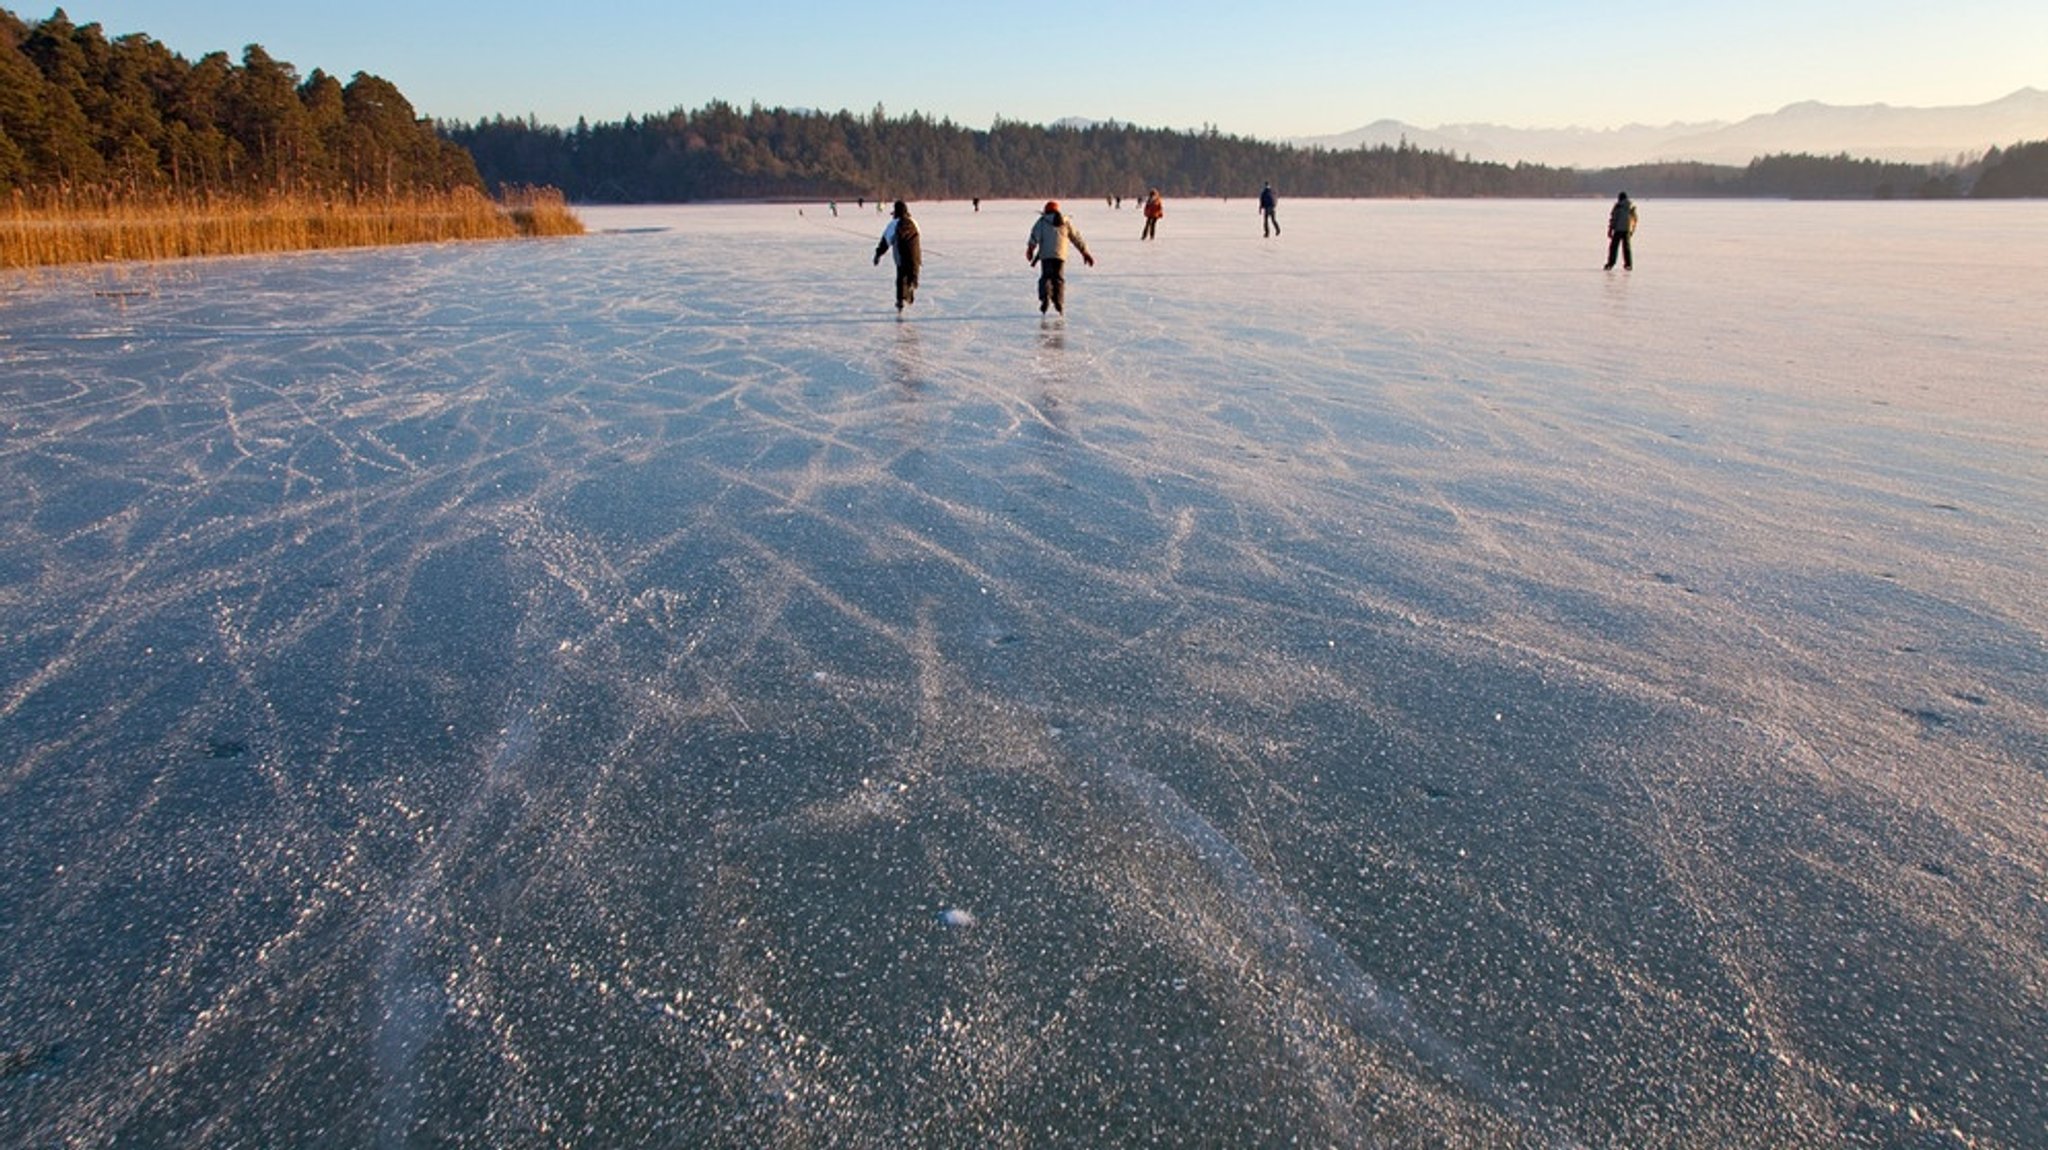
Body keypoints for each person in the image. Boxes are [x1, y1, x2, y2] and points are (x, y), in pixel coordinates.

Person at [1025, 201, 1094, 315]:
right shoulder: (1066, 222)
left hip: (1046, 256)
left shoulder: (1042, 221)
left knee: (1046, 277)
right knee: (1058, 279)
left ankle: (1045, 297)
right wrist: (1084, 252)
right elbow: (1076, 237)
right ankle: (1059, 301)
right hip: (1060, 256)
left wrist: (1030, 249)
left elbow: (1034, 235)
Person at [874, 200, 921, 311]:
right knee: (912, 273)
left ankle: (900, 300)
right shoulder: (914, 222)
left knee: (901, 277)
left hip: (901, 255)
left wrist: (878, 254)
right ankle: (912, 284)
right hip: (915, 255)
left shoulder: (894, 224)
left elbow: (885, 241)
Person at [1605, 191, 1637, 270]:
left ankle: (1610, 263)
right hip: (1627, 230)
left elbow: (1614, 218)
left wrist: (1610, 229)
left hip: (1618, 229)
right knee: (1626, 248)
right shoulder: (1631, 206)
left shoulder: (1618, 206)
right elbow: (1635, 219)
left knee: (1613, 247)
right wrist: (1632, 230)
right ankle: (1628, 264)